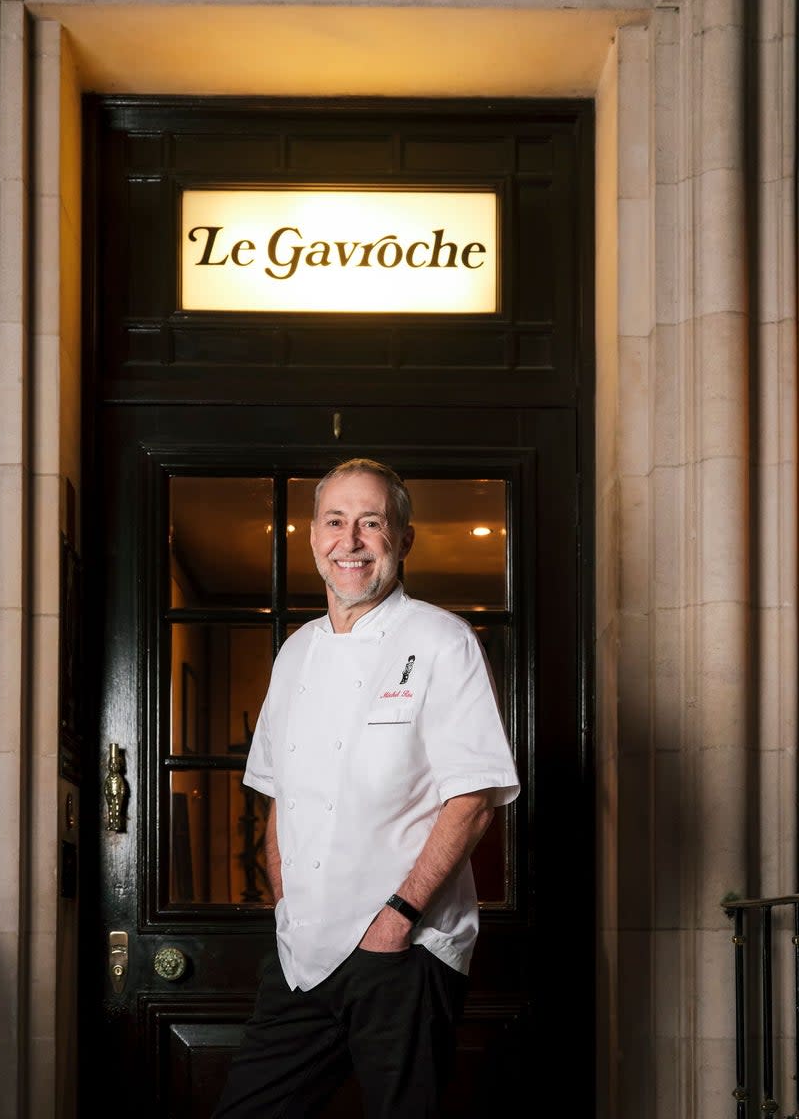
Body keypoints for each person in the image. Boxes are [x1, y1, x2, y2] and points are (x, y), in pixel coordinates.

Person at [213, 457, 519, 1119]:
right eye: (335, 521)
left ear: (402, 539)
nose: (350, 541)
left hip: (402, 951)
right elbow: (279, 797)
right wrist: (286, 901)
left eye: (371, 522)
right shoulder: (294, 652)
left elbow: (470, 800)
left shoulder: (442, 641)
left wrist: (398, 917)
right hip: (303, 952)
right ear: (312, 535)